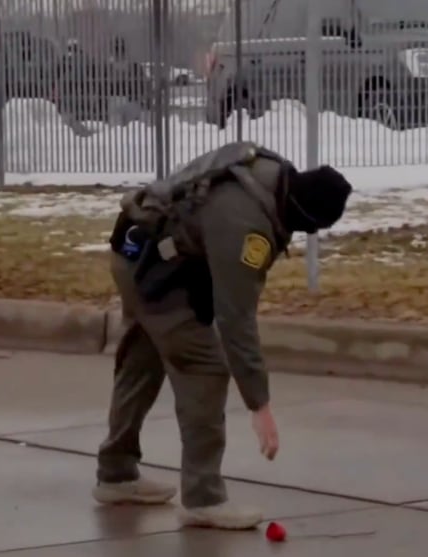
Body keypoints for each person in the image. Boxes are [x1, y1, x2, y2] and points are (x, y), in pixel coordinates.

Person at [93, 141, 352, 529]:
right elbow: (236, 319)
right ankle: (204, 497)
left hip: (135, 248)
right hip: (152, 268)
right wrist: (259, 405)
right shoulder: (248, 229)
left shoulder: (265, 171)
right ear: (304, 215)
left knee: (143, 360)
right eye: (309, 227)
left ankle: (116, 473)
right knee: (205, 366)